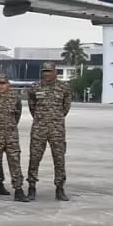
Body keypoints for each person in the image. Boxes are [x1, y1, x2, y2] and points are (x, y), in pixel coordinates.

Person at [27, 62, 72, 201]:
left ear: (55, 72)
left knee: (59, 159)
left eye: (49, 71)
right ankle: (31, 188)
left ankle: (60, 188)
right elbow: (32, 106)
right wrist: (41, 119)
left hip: (57, 129)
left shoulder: (63, 87)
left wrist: (55, 119)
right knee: (34, 159)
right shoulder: (35, 87)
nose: (46, 73)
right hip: (39, 128)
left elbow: (66, 107)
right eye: (44, 71)